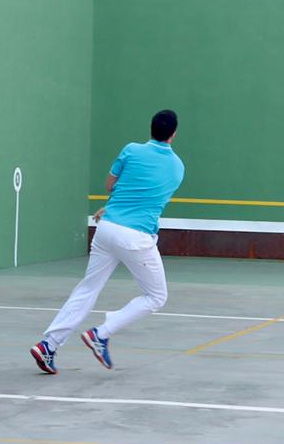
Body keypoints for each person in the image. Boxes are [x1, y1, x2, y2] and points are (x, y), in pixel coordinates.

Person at [30, 109, 184, 374]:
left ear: (150, 128)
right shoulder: (178, 168)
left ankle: (48, 345)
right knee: (156, 296)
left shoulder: (131, 150)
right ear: (174, 134)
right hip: (136, 237)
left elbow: (111, 185)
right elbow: (149, 197)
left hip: (107, 229)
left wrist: (111, 207)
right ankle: (101, 333)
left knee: (88, 288)